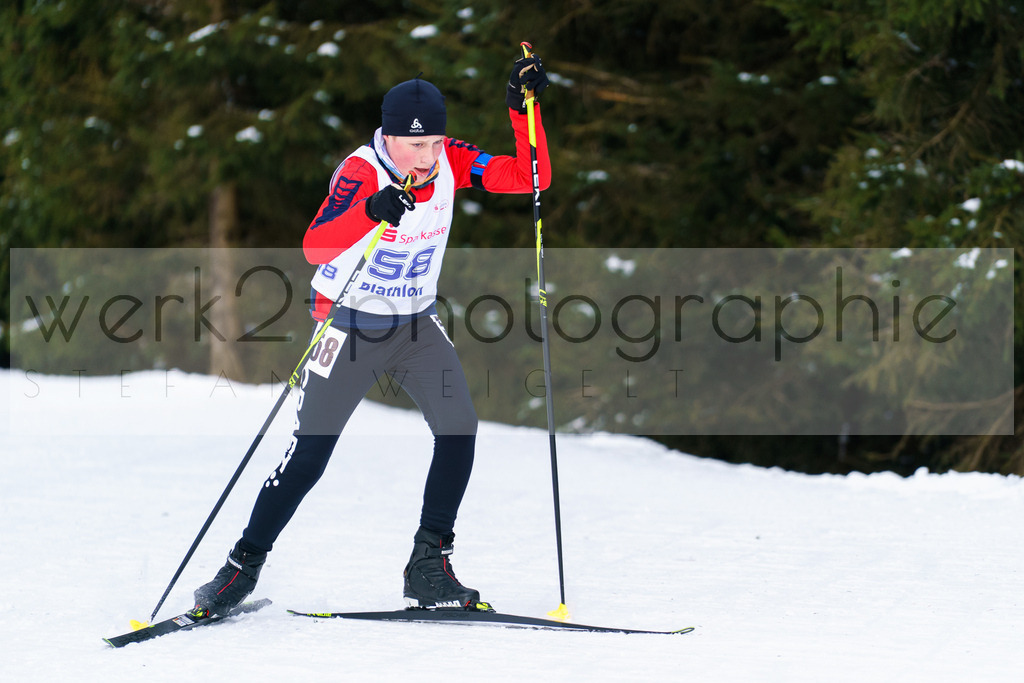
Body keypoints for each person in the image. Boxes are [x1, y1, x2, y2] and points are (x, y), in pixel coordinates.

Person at [192, 54, 551, 614]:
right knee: (308, 458)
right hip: (350, 325)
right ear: (388, 138)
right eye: (415, 147)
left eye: (435, 143)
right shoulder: (362, 170)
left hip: (414, 325)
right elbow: (315, 246)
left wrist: (519, 110)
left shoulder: (450, 158)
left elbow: (531, 177)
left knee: (458, 428)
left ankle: (428, 563)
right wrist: (371, 210)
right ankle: (241, 567)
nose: (428, 157)